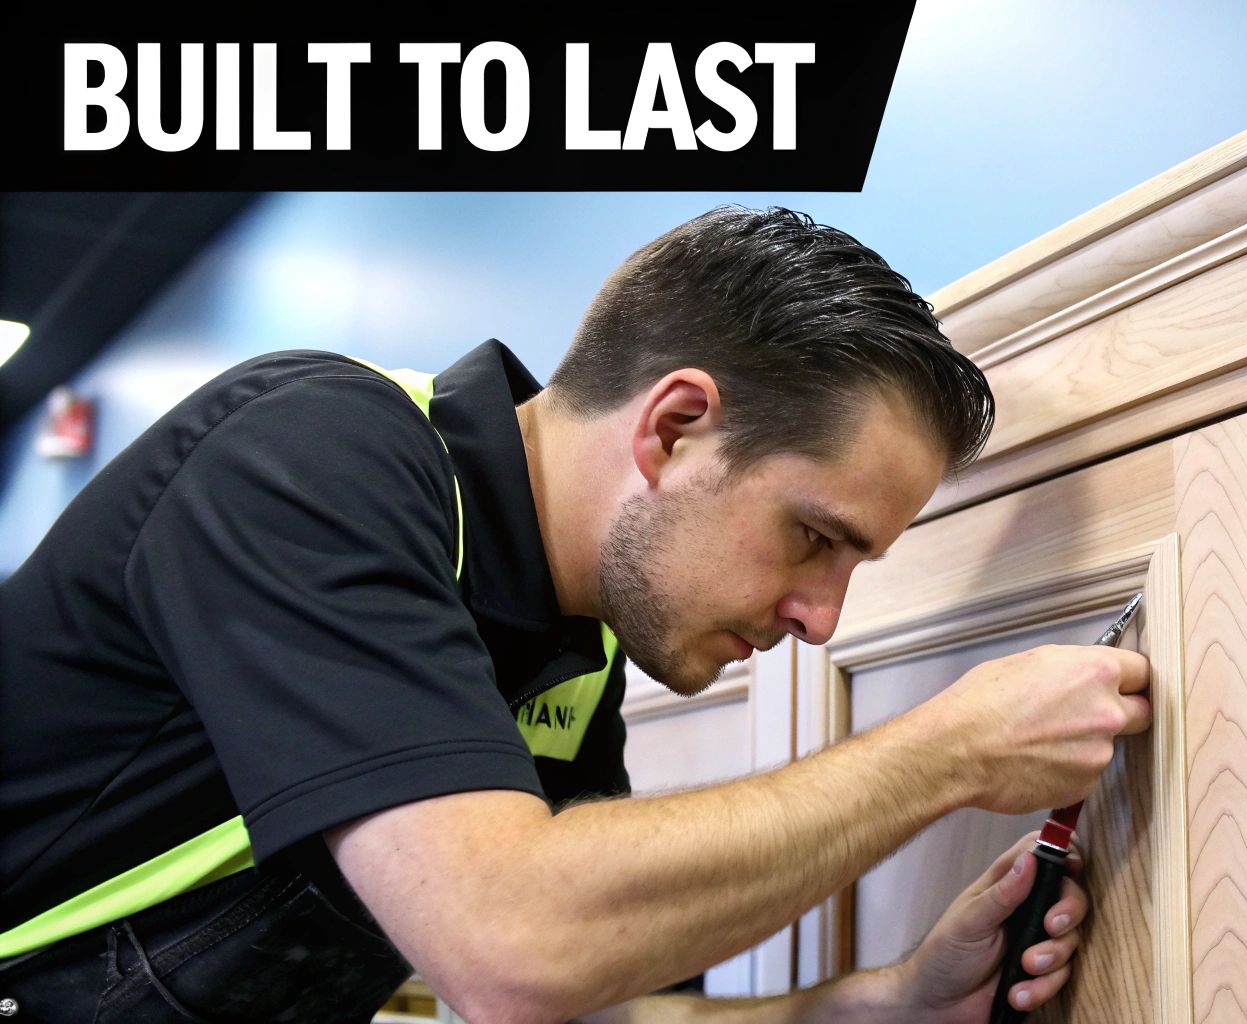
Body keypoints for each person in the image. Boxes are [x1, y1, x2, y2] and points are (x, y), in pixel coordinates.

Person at [0, 206, 1152, 1022]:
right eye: (815, 536)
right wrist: (944, 752)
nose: (820, 620)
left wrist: (876, 1004)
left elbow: (583, 1000)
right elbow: (513, 946)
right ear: (673, 426)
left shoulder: (581, 644)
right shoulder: (313, 456)